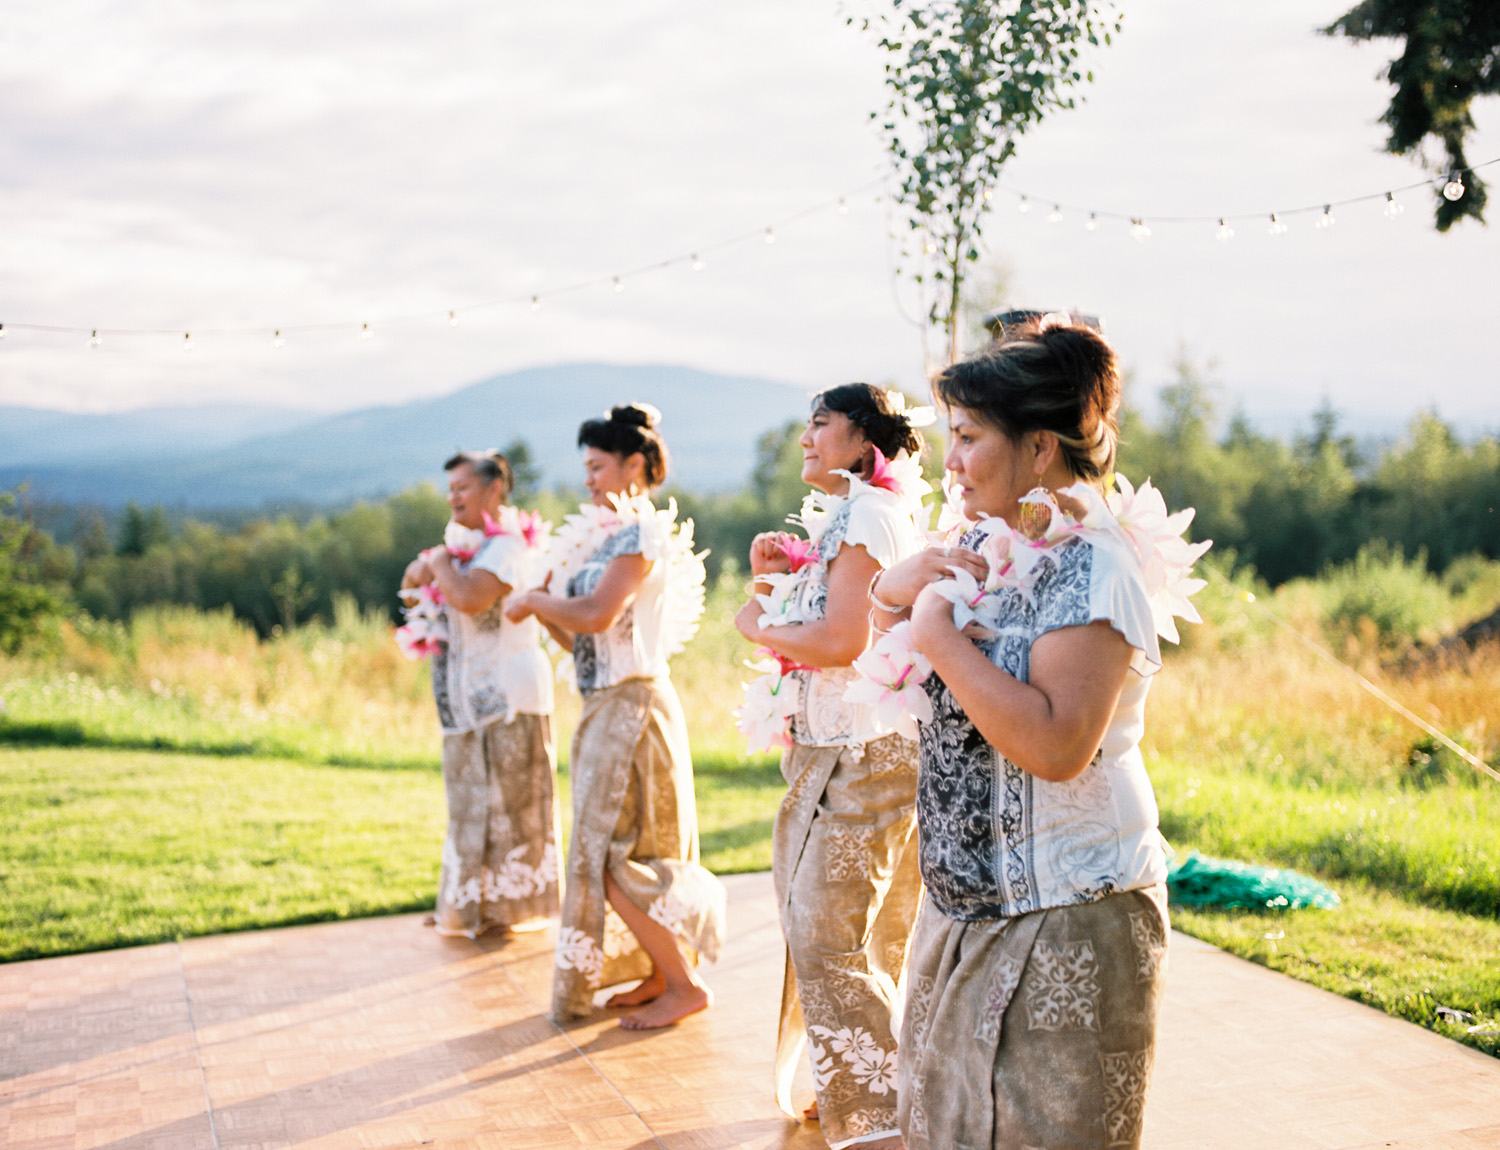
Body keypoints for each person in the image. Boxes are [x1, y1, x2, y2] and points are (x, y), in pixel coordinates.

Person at [869, 320, 1206, 1149]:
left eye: (969, 437)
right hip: (965, 911)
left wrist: (939, 636)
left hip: (1065, 915)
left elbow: (1059, 747)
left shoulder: (1093, 565)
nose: (948, 460)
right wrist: (891, 592)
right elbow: (887, 664)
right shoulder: (991, 541)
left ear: (1041, 448)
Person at [733, 385, 931, 1150]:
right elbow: (818, 626)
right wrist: (773, 575)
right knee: (844, 928)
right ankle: (871, 1083)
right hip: (833, 748)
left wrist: (755, 621)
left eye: (821, 424)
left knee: (825, 931)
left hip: (869, 751)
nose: (805, 438)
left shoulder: (874, 516)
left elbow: (843, 641)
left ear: (865, 441)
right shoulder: (848, 518)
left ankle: (885, 1111)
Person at [505, 403, 725, 1029]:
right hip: (606, 701)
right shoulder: (605, 538)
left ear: (634, 465)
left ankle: (684, 984)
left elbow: (599, 614)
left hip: (634, 705)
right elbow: (586, 643)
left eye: (598, 466)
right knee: (629, 845)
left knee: (606, 851)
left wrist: (540, 598)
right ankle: (661, 974)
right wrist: (543, 605)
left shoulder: (640, 536)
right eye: (586, 468)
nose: (589, 480)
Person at [401, 450, 558, 938]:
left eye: (462, 487)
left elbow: (469, 597)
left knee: (509, 807)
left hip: (507, 700)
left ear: (494, 490)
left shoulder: (506, 547)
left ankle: (507, 909)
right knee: (470, 805)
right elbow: (410, 591)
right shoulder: (467, 549)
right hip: (465, 704)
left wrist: (440, 562)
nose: (452, 497)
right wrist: (431, 568)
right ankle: (468, 901)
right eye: (449, 488)